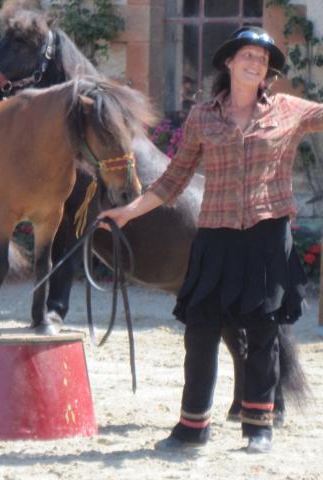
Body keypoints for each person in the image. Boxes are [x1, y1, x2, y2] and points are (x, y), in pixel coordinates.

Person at [98, 26, 323, 453]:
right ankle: (192, 427)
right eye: (247, 56)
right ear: (229, 62)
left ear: (267, 71)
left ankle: (259, 425)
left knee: (261, 333)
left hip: (267, 236)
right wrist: (128, 212)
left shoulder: (290, 111)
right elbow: (173, 181)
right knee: (200, 332)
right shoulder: (203, 117)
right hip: (214, 238)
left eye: (262, 59)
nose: (255, 63)